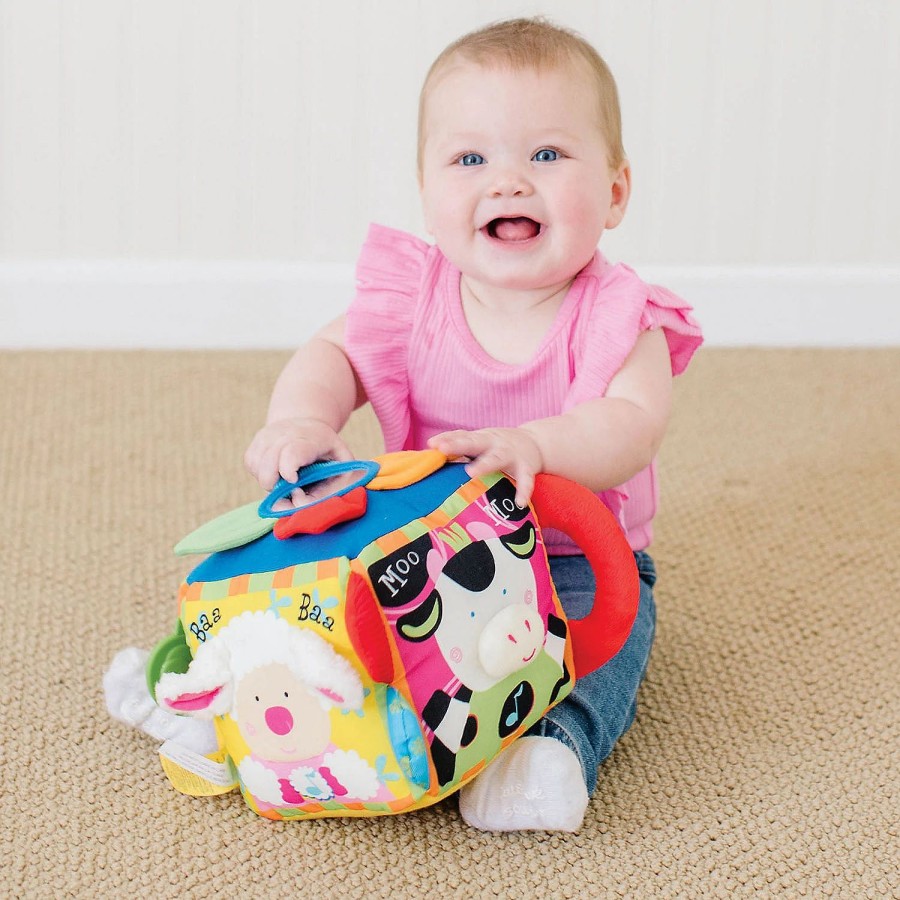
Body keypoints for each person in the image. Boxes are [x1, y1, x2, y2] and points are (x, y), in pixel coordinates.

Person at [243, 17, 703, 833]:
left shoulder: (620, 320)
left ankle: (555, 749)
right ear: (427, 192)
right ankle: (246, 683)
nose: (508, 183)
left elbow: (631, 425)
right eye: (470, 159)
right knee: (342, 617)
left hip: (572, 560)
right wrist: (301, 418)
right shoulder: (410, 300)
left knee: (593, 652)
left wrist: (537, 445)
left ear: (616, 191)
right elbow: (332, 352)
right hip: (422, 552)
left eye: (547, 155)